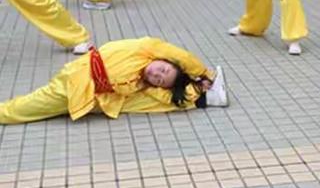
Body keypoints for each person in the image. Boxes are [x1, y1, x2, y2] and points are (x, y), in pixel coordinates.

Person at [0, 37, 228, 124]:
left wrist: (197, 86)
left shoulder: (142, 84)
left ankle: (203, 97)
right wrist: (204, 72)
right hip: (75, 82)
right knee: (31, 107)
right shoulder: (145, 48)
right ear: (162, 59)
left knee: (154, 100)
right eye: (163, 69)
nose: (157, 75)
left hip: (100, 97)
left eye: (160, 79)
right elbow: (179, 55)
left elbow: (160, 95)